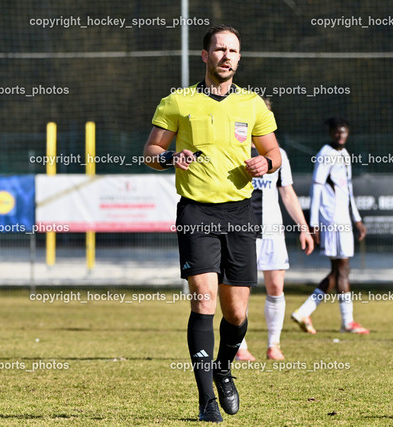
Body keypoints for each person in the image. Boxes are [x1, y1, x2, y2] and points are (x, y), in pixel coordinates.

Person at [143, 25, 282, 423]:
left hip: (240, 213)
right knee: (203, 299)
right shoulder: (178, 101)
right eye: (219, 49)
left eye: (233, 51)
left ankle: (223, 368)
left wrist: (265, 162)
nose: (226, 56)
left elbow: (274, 152)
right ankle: (206, 401)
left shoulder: (253, 104)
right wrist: (170, 158)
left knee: (236, 313)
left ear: (239, 58)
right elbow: (151, 151)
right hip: (196, 212)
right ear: (205, 55)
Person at [235, 99, 314, 362]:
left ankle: (273, 345)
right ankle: (240, 347)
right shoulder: (235, 149)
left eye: (266, 114)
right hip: (243, 231)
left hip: (273, 232)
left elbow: (287, 193)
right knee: (240, 290)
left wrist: (303, 228)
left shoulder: (278, 154)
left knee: (276, 287)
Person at [290, 117, 369, 335]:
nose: (340, 135)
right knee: (342, 268)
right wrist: (314, 224)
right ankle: (347, 322)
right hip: (332, 220)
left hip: (344, 219)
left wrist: (357, 218)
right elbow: (316, 189)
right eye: (337, 131)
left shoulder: (345, 154)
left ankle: (305, 311)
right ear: (331, 133)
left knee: (340, 269)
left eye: (344, 132)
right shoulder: (325, 154)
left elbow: (348, 190)